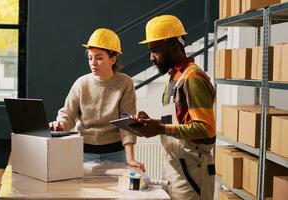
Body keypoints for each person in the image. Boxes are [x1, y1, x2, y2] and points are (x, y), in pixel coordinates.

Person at [130, 15, 216, 200]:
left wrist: (160, 128)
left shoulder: (193, 79)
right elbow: (178, 120)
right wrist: (151, 122)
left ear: (174, 46)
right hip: (175, 167)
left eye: (155, 50)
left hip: (193, 171)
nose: (151, 57)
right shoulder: (175, 77)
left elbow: (206, 130)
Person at [49, 28, 145, 171]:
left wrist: (130, 158)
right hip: (82, 152)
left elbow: (127, 122)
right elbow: (67, 114)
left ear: (113, 59)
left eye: (99, 58)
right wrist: (61, 124)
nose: (93, 63)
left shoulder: (125, 83)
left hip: (115, 153)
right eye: (90, 58)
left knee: (114, 193)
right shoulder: (81, 83)